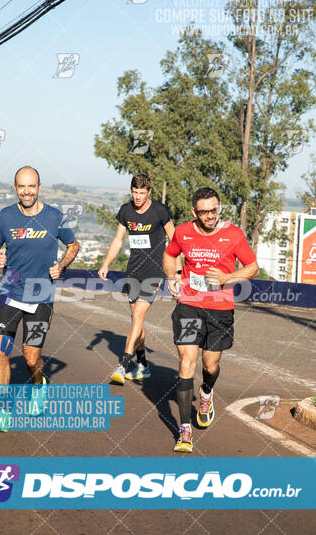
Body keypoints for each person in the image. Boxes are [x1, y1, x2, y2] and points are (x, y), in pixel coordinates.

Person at [163, 187, 259, 452]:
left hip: (219, 307)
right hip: (189, 304)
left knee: (210, 363)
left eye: (214, 209)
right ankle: (184, 432)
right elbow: (170, 254)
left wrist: (228, 278)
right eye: (204, 211)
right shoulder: (183, 232)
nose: (210, 216)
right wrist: (171, 277)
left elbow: (252, 267)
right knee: (186, 364)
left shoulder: (233, 235)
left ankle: (206, 393)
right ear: (195, 212)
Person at [0, 166, 79, 430]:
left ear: (39, 187)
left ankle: (39, 384)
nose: (26, 191)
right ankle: (3, 411)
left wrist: (62, 265)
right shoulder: (5, 217)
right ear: (15, 188)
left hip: (41, 296)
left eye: (31, 186)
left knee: (30, 358)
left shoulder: (54, 217)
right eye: (21, 186)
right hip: (10, 292)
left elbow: (73, 245)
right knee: (0, 351)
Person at [98, 174, 179, 384]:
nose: (138, 197)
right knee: (137, 319)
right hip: (133, 271)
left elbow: (176, 240)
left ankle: (123, 365)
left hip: (154, 271)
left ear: (149, 192)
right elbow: (118, 240)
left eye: (142, 193)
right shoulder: (126, 211)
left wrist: (176, 272)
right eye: (135, 192)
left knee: (137, 318)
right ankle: (143, 365)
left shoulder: (160, 211)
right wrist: (106, 263)